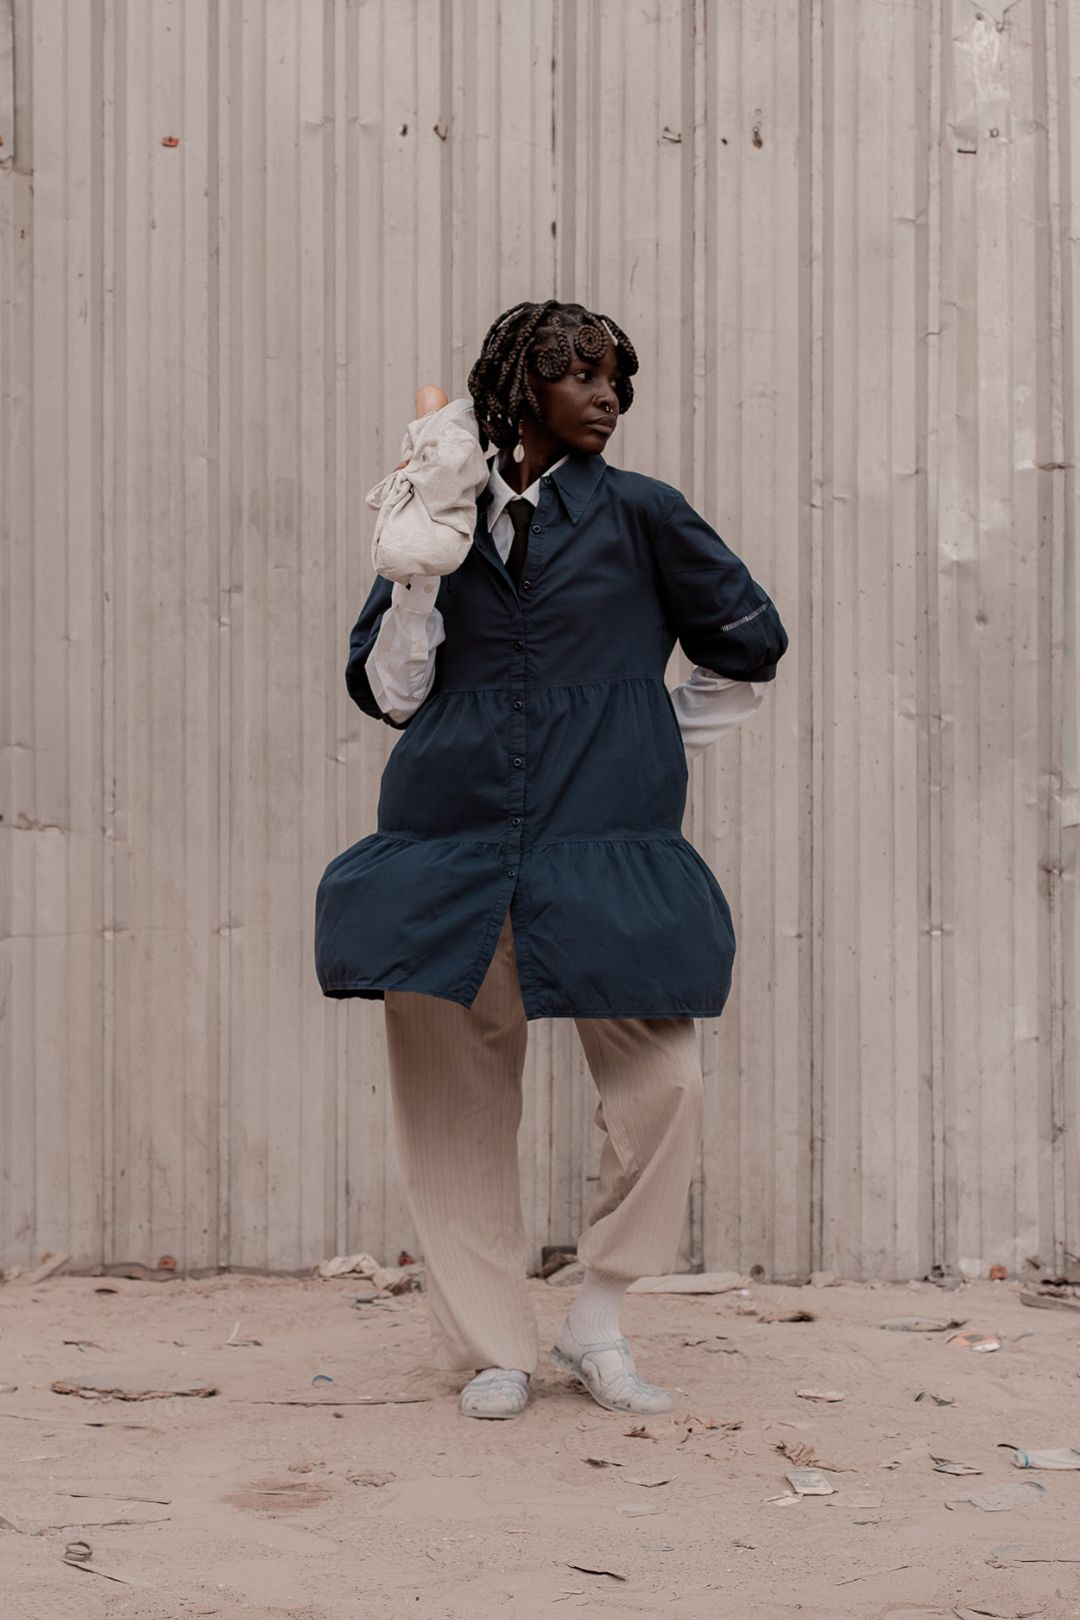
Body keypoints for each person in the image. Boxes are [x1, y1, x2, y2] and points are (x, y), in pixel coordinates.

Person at [315, 299, 788, 1420]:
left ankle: (597, 1318)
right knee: (454, 1106)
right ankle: (494, 1347)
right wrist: (420, 565)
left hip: (605, 843)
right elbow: (393, 694)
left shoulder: (643, 513)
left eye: (616, 376)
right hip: (449, 840)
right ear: (518, 388)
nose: (607, 395)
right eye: (581, 374)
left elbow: (747, 648)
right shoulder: (437, 514)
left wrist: (649, 740)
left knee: (663, 1088)